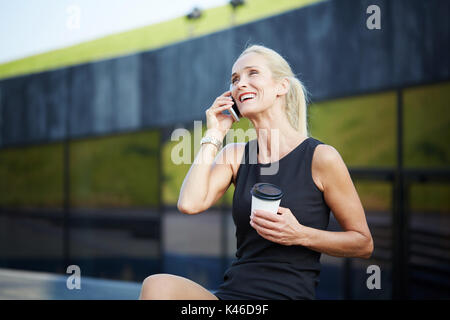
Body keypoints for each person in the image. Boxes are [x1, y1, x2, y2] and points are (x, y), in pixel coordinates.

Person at [139, 45, 373, 300]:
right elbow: (189, 203)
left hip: (286, 296)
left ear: (281, 87)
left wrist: (300, 234)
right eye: (235, 79)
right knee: (158, 286)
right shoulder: (236, 156)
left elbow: (363, 243)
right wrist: (215, 133)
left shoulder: (321, 158)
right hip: (233, 296)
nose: (240, 84)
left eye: (252, 74)